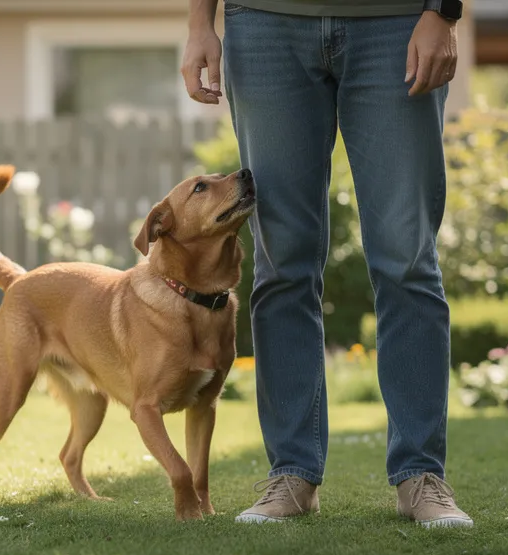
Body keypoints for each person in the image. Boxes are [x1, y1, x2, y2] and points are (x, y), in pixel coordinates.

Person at [181, 0, 473, 528]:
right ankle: (291, 473)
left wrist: (443, 13)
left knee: (407, 259)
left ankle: (421, 475)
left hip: (398, 20)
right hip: (266, 22)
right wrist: (200, 21)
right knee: (281, 262)